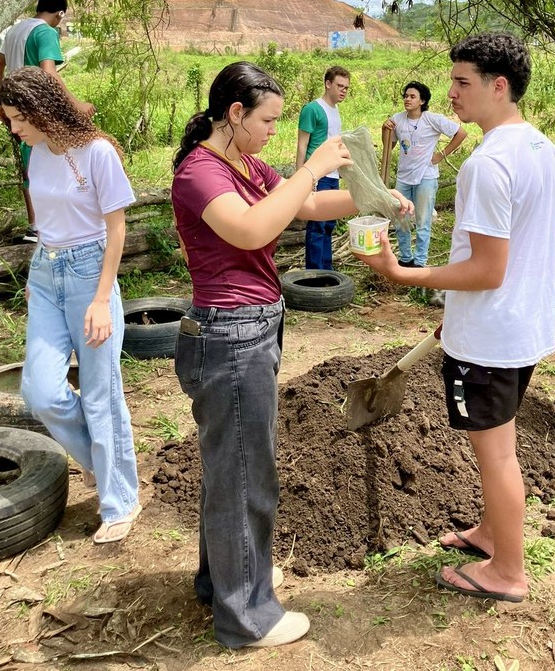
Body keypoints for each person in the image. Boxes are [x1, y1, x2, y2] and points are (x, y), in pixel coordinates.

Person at [171, 62, 410, 648]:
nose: (275, 130)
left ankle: (223, 580)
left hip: (253, 327)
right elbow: (254, 230)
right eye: (269, 120)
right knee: (247, 472)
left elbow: (299, 208)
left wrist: (369, 200)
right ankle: (247, 614)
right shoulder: (199, 174)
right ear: (234, 115)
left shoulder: (242, 162)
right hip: (229, 335)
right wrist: (312, 167)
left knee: (234, 468)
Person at [355, 33, 555, 603]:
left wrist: (403, 273)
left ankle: (508, 572)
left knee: (497, 453)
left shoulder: (485, 164)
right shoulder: (542, 149)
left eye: (462, 83)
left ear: (497, 87)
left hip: (487, 339)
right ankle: (489, 534)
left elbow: (484, 271)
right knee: (497, 447)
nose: (449, 95)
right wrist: (494, 292)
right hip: (521, 330)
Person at [0, 66, 140, 544]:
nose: (15, 127)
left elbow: (116, 230)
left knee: (101, 394)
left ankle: (120, 502)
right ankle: (98, 459)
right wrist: (38, 277)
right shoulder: (34, 151)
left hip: (90, 273)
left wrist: (102, 299)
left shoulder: (97, 152)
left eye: (20, 117)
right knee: (39, 392)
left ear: (43, 109)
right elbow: (45, 220)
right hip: (46, 271)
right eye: (10, 119)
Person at [0, 0, 96, 241]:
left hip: (17, 110)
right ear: (60, 13)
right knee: (56, 158)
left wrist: (4, 103)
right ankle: (55, 223)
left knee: (29, 164)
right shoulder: (45, 31)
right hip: (39, 107)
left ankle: (34, 226)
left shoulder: (16, 30)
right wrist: (77, 103)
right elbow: (49, 72)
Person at [382, 81, 467, 267]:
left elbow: (461, 133)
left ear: (422, 101)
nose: (407, 99)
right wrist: (384, 129)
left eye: (412, 96)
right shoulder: (398, 119)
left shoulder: (432, 119)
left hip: (425, 177)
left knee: (422, 220)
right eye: (406, 96)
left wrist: (440, 155)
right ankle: (405, 258)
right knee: (400, 219)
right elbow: (389, 145)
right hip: (404, 178)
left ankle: (420, 261)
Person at [296, 65, 351, 270]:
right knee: (317, 225)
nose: (343, 91)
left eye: (346, 87)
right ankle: (314, 273)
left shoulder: (335, 111)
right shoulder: (313, 109)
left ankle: (326, 269)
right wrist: (302, 179)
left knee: (329, 223)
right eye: (339, 86)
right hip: (316, 174)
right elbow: (302, 145)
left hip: (333, 174)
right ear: (328, 84)